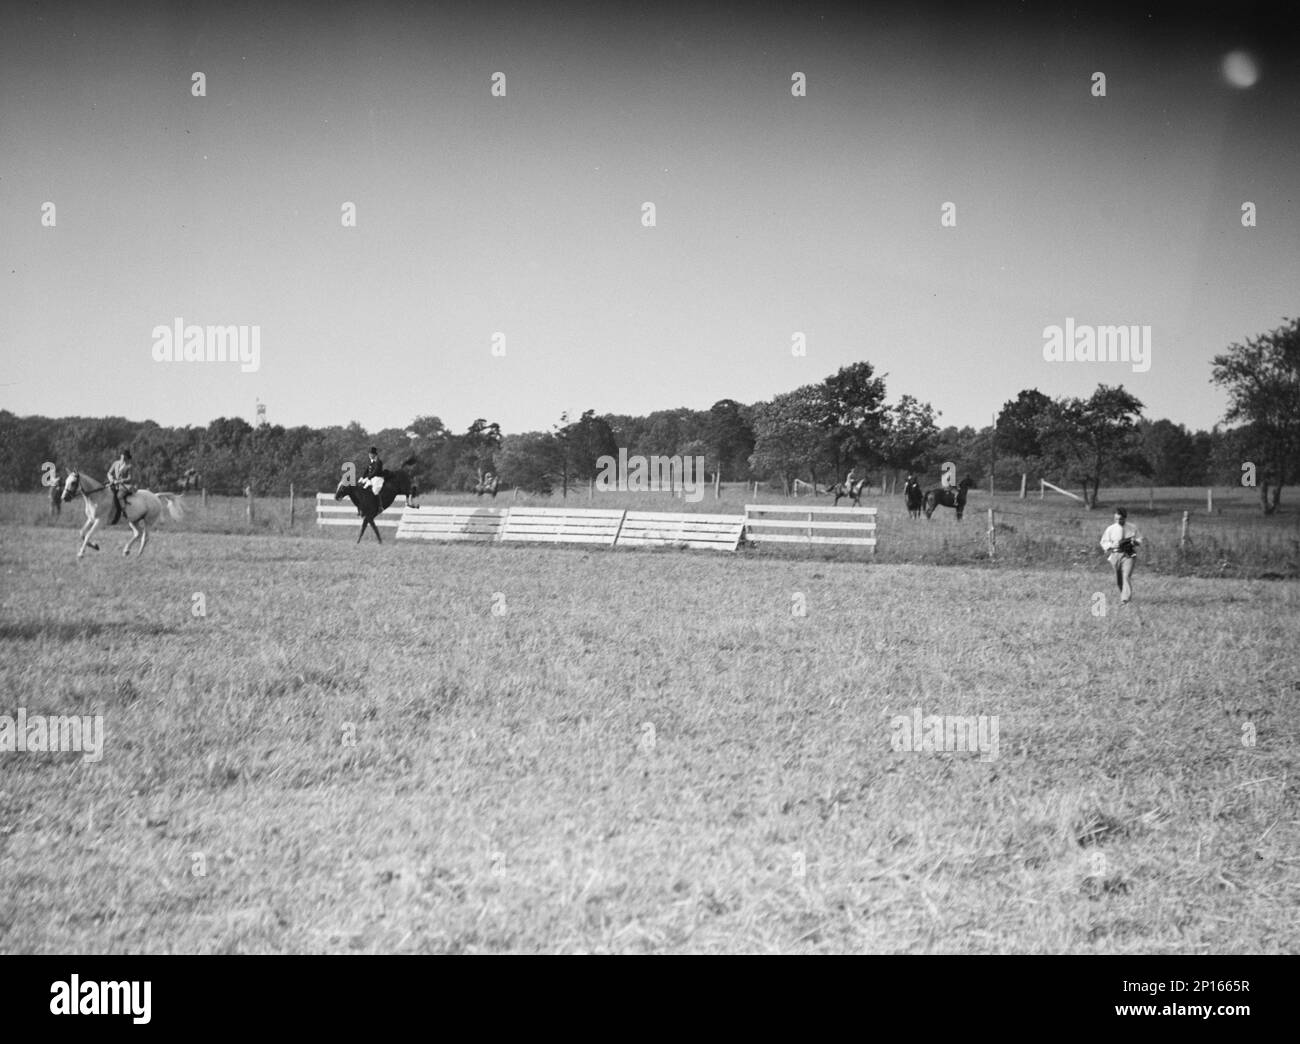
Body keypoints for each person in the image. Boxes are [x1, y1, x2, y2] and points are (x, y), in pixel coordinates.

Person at [1100, 506, 1143, 605]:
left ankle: (1125, 599)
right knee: (1119, 580)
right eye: (1116, 519)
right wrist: (1111, 545)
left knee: (1126, 576)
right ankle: (1123, 594)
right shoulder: (1110, 529)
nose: (1118, 521)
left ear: (1125, 518)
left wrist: (1134, 542)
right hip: (1115, 555)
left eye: (1120, 519)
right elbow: (1103, 542)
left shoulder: (1132, 527)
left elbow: (1140, 539)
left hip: (1129, 555)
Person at [107, 448, 135, 525]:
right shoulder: (115, 463)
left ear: (127, 457)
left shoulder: (129, 466)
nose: (123, 457)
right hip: (114, 484)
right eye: (122, 455)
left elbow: (130, 478)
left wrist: (120, 481)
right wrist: (111, 478)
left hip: (125, 486)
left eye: (124, 456)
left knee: (119, 495)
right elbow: (109, 473)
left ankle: (124, 511)